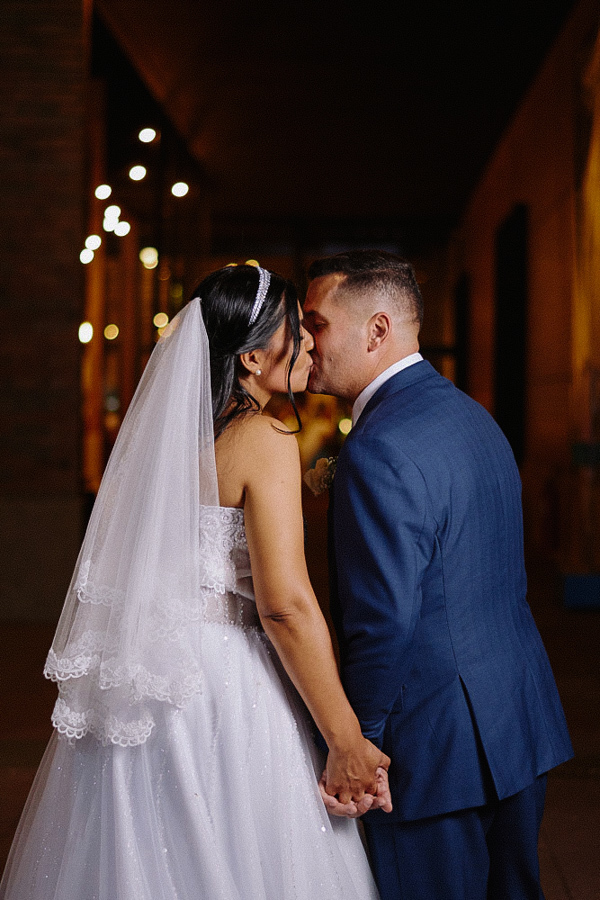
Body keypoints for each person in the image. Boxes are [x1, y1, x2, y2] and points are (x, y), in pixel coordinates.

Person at [0, 264, 392, 900]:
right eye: (295, 329)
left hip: (150, 673)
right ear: (250, 358)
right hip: (223, 682)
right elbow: (286, 607)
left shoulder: (169, 441)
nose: (310, 341)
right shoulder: (263, 436)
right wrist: (345, 738)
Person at [303, 249, 574, 900]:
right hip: (515, 724)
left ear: (377, 330)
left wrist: (359, 746)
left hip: (430, 751)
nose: (306, 342)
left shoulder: (377, 447)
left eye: (317, 324)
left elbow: (382, 621)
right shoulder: (472, 416)